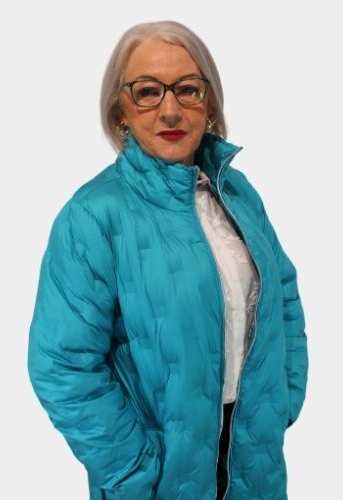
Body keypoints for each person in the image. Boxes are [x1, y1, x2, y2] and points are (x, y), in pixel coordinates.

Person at [27, 20, 308, 500]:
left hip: (254, 464)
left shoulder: (238, 193)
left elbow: (282, 293)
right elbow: (62, 364)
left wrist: (282, 401)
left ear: (209, 102)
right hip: (159, 477)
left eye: (187, 89)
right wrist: (133, 470)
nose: (171, 109)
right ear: (120, 109)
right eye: (148, 92)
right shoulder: (92, 215)